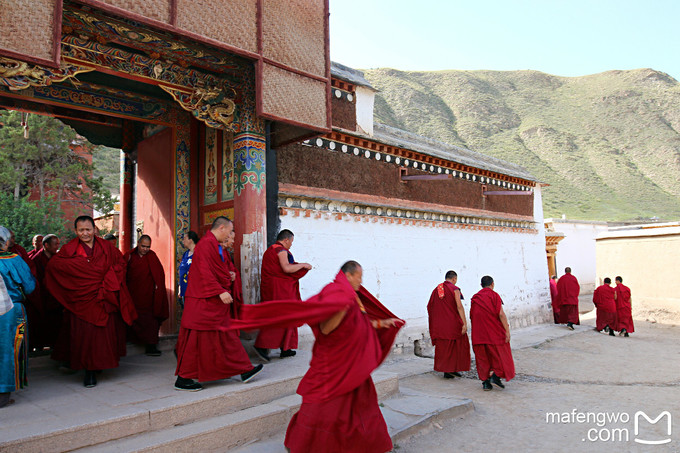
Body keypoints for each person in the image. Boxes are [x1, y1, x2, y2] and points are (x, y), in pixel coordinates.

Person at [284, 261, 404, 453]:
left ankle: (362, 444)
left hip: (351, 363)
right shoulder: (339, 295)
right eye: (359, 276)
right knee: (323, 409)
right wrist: (341, 312)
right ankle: (308, 443)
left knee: (360, 405)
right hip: (335, 364)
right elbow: (326, 329)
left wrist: (383, 323)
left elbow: (359, 324)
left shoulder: (351, 297)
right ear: (348, 275)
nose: (361, 281)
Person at [45, 216, 137, 388]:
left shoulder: (107, 248)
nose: (85, 233)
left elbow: (120, 264)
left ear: (94, 229)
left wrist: (108, 280)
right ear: (76, 231)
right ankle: (88, 372)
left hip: (103, 297)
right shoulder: (69, 249)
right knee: (85, 337)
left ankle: (99, 365)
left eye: (88, 229)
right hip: (82, 301)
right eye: (81, 230)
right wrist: (77, 276)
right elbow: (54, 267)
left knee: (101, 336)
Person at [174, 216, 263, 391]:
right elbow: (203, 272)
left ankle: (245, 370)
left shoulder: (213, 245)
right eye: (230, 232)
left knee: (226, 337)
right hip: (203, 302)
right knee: (196, 341)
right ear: (221, 228)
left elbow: (216, 270)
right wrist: (220, 290)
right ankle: (183, 378)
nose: (230, 236)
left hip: (212, 303)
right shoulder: (206, 244)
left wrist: (228, 275)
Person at [255, 229, 312, 360]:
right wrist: (303, 265)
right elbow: (286, 268)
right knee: (281, 316)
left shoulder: (270, 250)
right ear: (286, 240)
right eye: (291, 242)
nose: (291, 245)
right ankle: (262, 346)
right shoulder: (280, 250)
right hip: (280, 289)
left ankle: (286, 348)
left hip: (274, 288)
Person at [0, 226, 36, 408]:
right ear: (5, 242)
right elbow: (29, 286)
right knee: (10, 348)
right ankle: (4, 393)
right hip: (12, 311)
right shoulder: (13, 260)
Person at [124, 235, 169, 356]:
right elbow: (122, 274)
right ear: (138, 243)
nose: (145, 249)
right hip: (133, 296)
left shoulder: (152, 256)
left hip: (149, 297)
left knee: (151, 322)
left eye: (148, 247)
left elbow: (159, 276)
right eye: (143, 246)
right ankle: (131, 340)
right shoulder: (129, 256)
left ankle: (151, 346)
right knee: (132, 318)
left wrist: (158, 291)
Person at [470, 275, 514, 391]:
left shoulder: (475, 298)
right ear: (493, 284)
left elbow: (472, 316)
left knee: (482, 359)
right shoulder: (494, 296)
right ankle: (495, 376)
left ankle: (486, 383)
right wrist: (507, 330)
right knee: (501, 355)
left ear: (481, 285)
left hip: (479, 334)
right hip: (493, 333)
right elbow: (501, 314)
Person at [427, 270, 470, 379]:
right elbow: (459, 306)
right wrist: (464, 323)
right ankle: (451, 369)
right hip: (453, 324)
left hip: (440, 325)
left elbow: (430, 306)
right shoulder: (455, 289)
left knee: (444, 348)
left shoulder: (436, 290)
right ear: (454, 279)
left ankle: (449, 370)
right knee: (457, 345)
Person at [30, 234, 62, 350]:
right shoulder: (36, 260)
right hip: (42, 297)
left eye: (58, 244)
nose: (57, 246)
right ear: (46, 245)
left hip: (56, 297)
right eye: (55, 244)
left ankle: (55, 345)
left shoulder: (58, 258)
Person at [178, 231, 199, 308]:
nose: (183, 241)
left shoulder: (199, 253)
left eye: (184, 239)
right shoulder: (185, 254)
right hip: (184, 290)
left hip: (195, 292)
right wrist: (180, 287)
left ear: (190, 240)